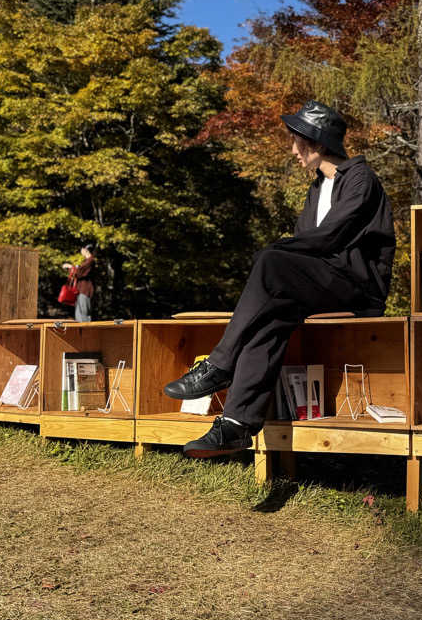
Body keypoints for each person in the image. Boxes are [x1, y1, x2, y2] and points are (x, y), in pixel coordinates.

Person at [164, 99, 396, 458]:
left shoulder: (360, 180)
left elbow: (329, 239)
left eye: (297, 142)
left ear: (317, 144)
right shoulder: (317, 189)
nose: (293, 151)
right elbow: (307, 248)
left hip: (356, 288)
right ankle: (236, 426)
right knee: (269, 316)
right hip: (321, 283)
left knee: (272, 261)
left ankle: (218, 365)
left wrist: (276, 251)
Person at [62, 245, 96, 322]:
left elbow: (79, 272)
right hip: (80, 290)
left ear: (86, 250)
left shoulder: (90, 261)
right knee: (78, 314)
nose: (81, 251)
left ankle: (86, 332)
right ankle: (80, 332)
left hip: (85, 290)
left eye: (82, 249)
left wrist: (70, 266)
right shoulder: (86, 261)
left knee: (83, 313)